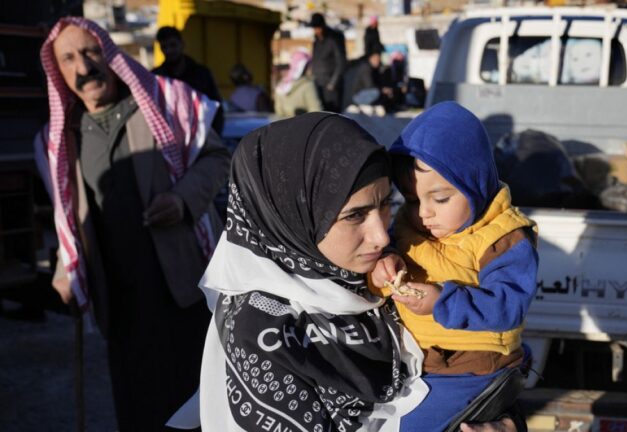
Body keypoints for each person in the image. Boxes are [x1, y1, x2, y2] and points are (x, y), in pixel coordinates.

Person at [35, 17, 230, 430]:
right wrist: (64, 271)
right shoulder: (61, 137)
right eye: (68, 59)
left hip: (180, 289)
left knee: (196, 403)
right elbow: (66, 215)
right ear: (58, 72)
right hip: (118, 301)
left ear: (109, 52)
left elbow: (217, 158)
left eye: (89, 52)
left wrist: (181, 201)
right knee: (138, 407)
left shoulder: (165, 104)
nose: (84, 68)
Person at [197, 112, 428, 431]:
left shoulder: (380, 273)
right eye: (355, 216)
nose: (381, 235)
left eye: (386, 204)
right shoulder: (260, 331)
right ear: (293, 217)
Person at [370, 101, 539, 431]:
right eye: (413, 199)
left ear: (475, 183)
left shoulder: (501, 237)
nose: (424, 213)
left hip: (473, 365)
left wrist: (441, 301)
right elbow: (387, 252)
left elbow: (509, 305)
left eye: (441, 198)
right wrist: (384, 266)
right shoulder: (409, 226)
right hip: (422, 361)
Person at [153, 26, 224, 133]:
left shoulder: (202, 74)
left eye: (173, 45)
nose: (169, 50)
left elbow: (215, 107)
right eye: (164, 47)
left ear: (182, 44)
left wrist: (212, 137)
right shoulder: (157, 77)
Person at [309, 13, 346, 112]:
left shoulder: (334, 39)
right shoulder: (316, 41)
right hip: (319, 84)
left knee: (333, 115)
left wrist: (333, 83)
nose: (316, 30)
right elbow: (315, 60)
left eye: (318, 27)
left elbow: (341, 62)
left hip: (331, 87)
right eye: (314, 28)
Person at [274, 50, 322, 117]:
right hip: (304, 126)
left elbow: (278, 114)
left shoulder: (280, 87)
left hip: (286, 126)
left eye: (285, 67)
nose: (283, 71)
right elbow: (317, 113)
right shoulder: (308, 85)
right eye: (282, 68)